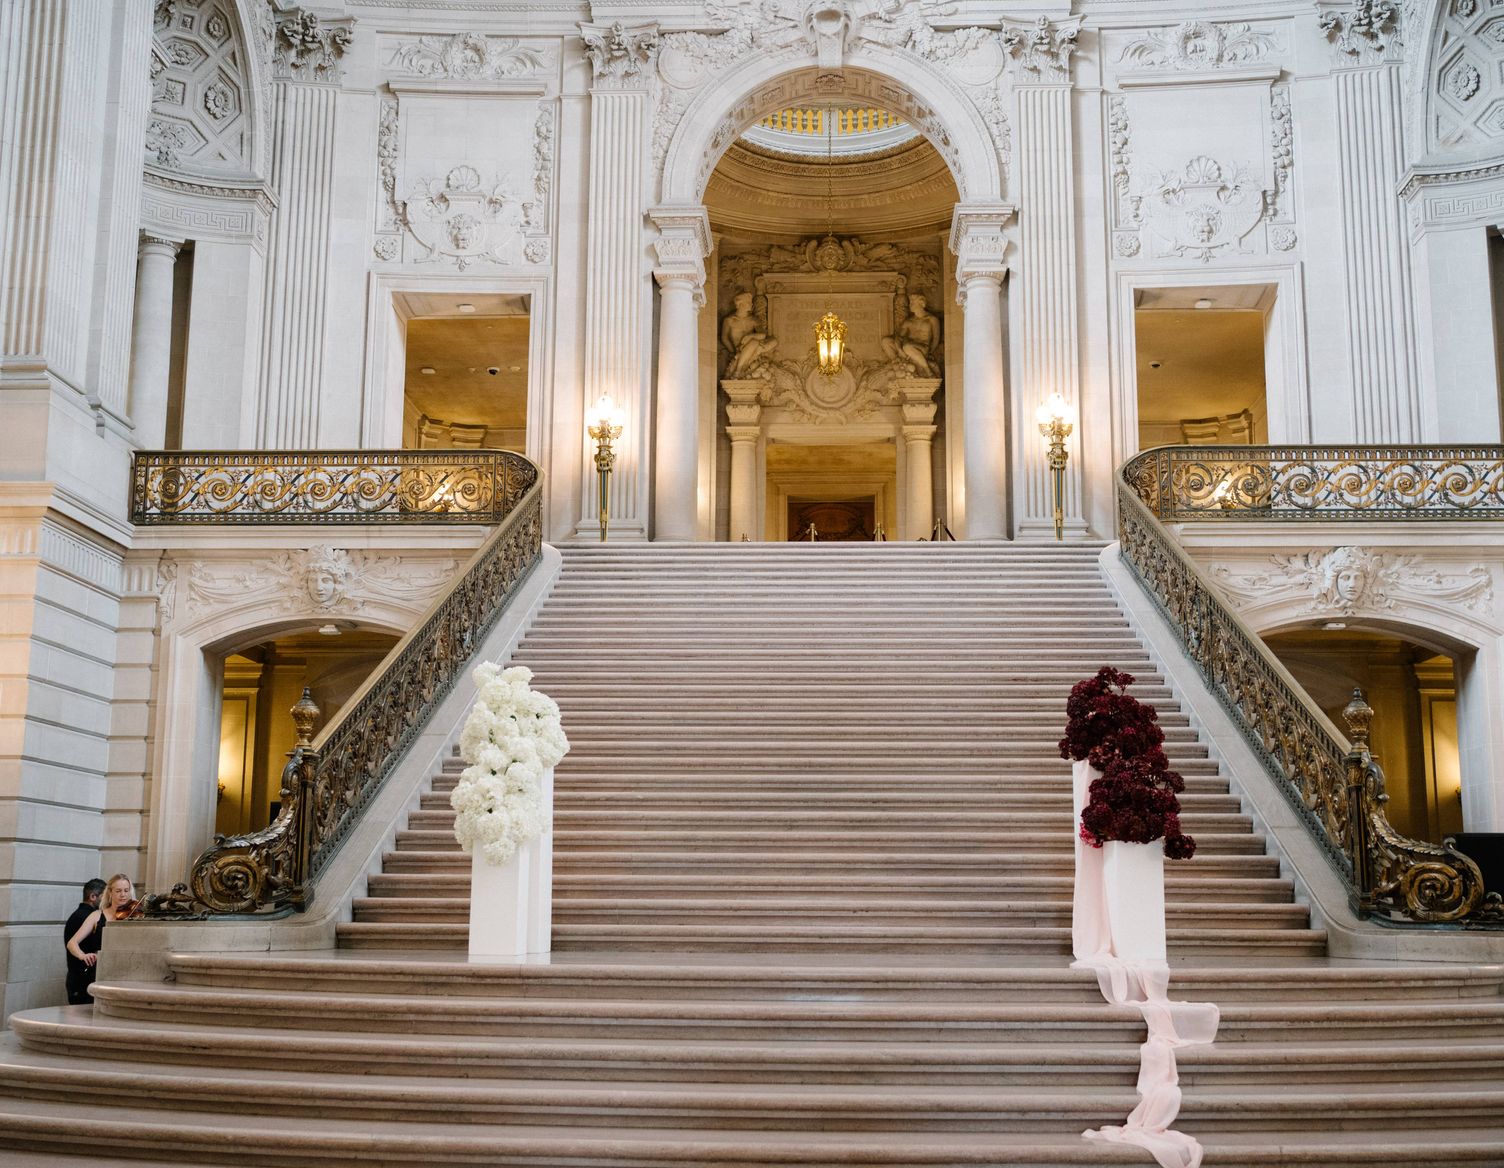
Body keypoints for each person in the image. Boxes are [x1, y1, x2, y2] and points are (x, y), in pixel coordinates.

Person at [64, 873, 138, 1005]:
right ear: (110, 893)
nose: (123, 895)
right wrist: (83, 955)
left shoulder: (134, 915)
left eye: (126, 891)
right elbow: (72, 943)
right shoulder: (96, 916)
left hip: (123, 973)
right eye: (118, 891)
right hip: (98, 973)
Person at [63, 878, 105, 1005]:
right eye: (105, 896)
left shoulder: (77, 914)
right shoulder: (89, 917)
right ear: (93, 896)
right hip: (82, 979)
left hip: (77, 977)